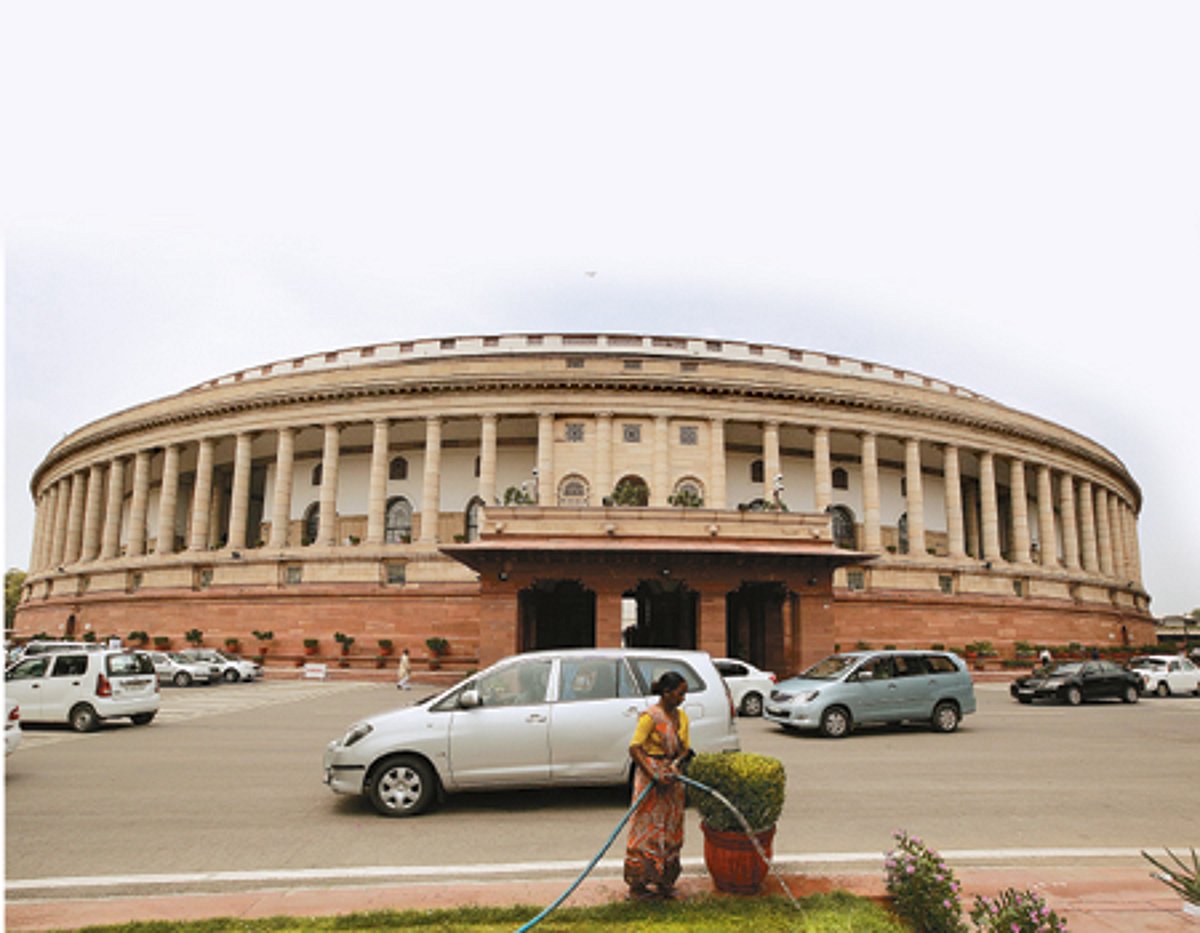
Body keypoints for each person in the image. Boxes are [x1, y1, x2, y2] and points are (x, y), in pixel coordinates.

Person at [624, 670, 691, 900]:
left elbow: (685, 749)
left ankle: (665, 881)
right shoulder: (650, 717)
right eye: (680, 693)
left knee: (672, 828)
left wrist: (675, 766)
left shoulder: (681, 717)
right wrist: (653, 774)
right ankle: (638, 884)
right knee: (646, 829)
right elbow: (635, 748)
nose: (683, 698)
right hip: (650, 778)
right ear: (667, 692)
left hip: (672, 779)